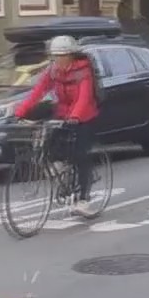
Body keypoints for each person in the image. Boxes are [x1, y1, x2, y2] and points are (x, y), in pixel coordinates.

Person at [14, 35, 99, 215]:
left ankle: (84, 199)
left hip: (84, 115)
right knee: (52, 146)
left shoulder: (83, 71)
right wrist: (21, 111)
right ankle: (62, 172)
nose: (59, 60)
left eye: (62, 56)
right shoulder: (53, 71)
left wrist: (75, 116)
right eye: (56, 56)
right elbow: (38, 92)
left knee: (80, 155)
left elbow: (84, 98)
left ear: (71, 55)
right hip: (62, 113)